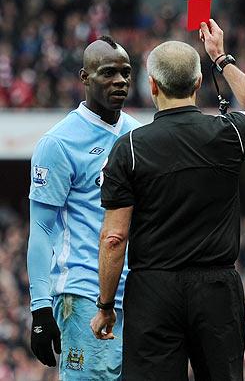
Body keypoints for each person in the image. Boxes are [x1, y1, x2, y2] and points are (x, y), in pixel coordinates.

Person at [90, 19, 245, 381]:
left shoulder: (128, 148)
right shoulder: (229, 133)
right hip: (217, 289)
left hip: (153, 291)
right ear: (198, 83)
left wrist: (106, 305)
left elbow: (114, 239)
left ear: (153, 85)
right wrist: (222, 58)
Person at [27, 36, 140, 381]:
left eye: (125, 72)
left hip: (138, 297)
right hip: (84, 296)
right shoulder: (58, 143)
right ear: (85, 77)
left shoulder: (139, 136)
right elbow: (42, 229)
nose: (120, 80)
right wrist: (40, 310)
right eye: (108, 73)